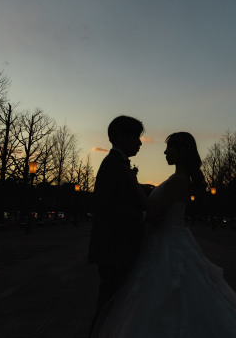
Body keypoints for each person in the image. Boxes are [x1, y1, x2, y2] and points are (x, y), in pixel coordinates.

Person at [92, 131, 236, 337]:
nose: (165, 152)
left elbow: (154, 210)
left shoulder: (180, 180)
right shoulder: (177, 179)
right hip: (165, 241)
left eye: (169, 148)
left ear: (181, 151)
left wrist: (134, 183)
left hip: (167, 243)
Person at [88, 115, 152, 331]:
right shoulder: (113, 165)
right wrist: (142, 217)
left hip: (116, 247)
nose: (140, 143)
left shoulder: (117, 163)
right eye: (136, 137)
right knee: (109, 304)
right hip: (114, 248)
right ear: (122, 137)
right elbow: (105, 205)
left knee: (113, 303)